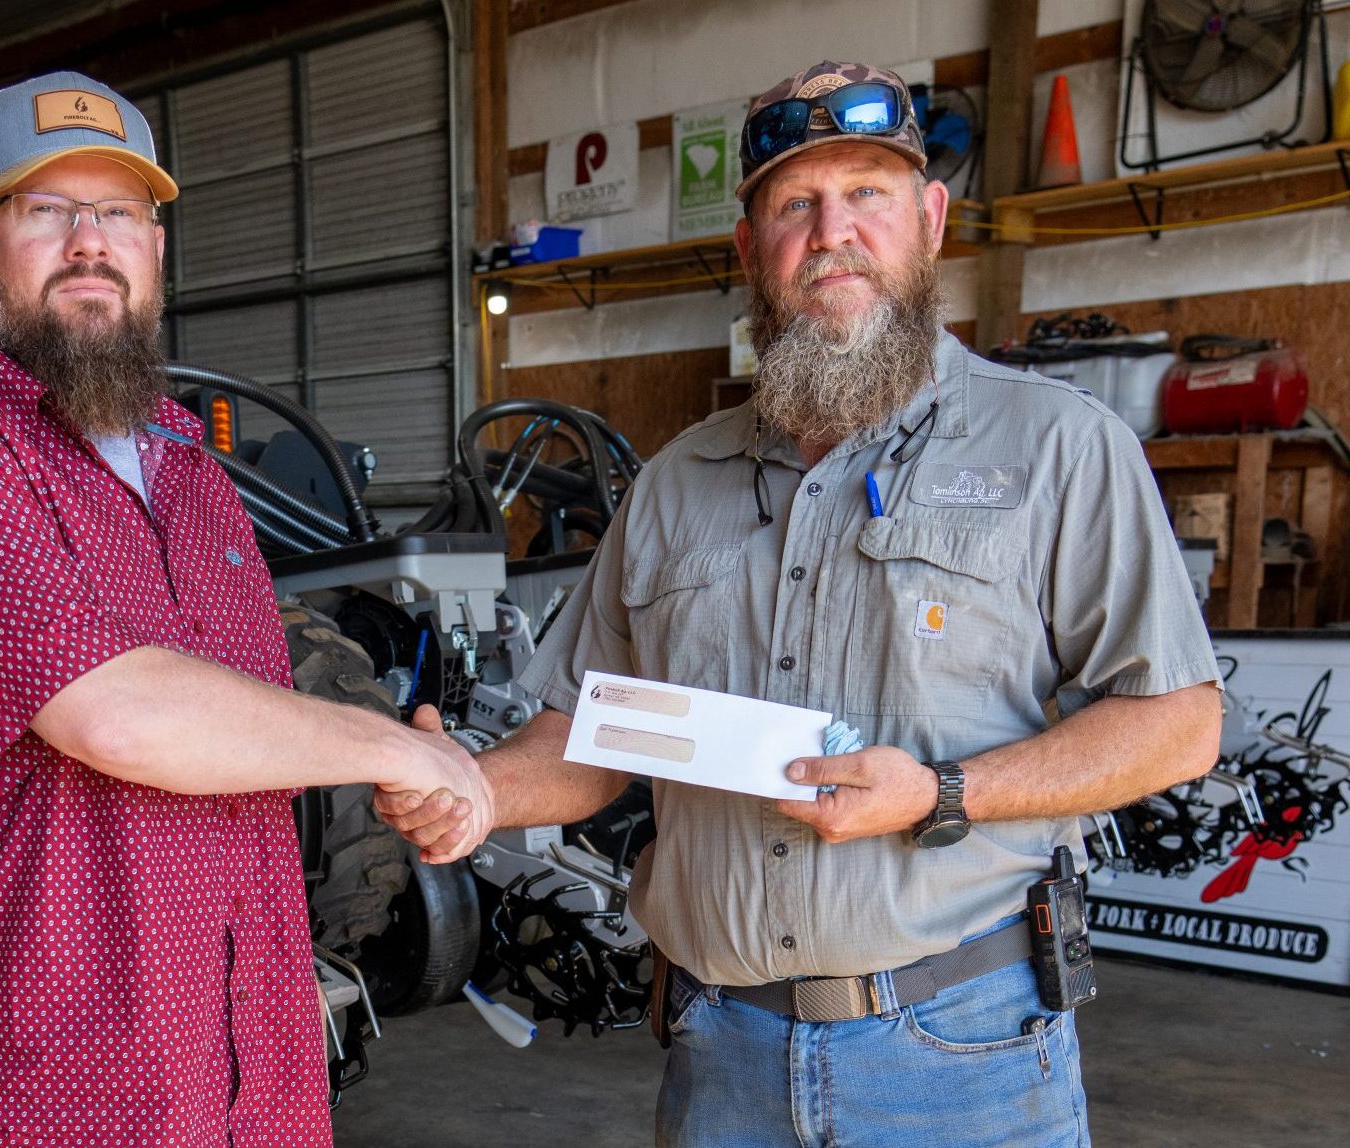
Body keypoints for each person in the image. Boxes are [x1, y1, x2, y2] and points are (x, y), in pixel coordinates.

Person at [379, 61, 1221, 1147]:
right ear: (751, 250)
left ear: (929, 221)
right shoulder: (677, 482)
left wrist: (942, 789)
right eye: (794, 204)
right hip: (719, 1054)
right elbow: (592, 737)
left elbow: (1180, 722)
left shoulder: (1057, 447)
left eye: (867, 192)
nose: (833, 232)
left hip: (962, 1054)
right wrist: (475, 788)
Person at [0, 71, 491, 1147]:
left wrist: (415, 764)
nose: (91, 241)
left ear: (157, 246)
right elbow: (116, 712)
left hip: (248, 1083)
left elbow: (246, 725)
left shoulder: (190, 464)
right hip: (39, 1095)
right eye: (46, 210)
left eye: (121, 212)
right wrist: (392, 749)